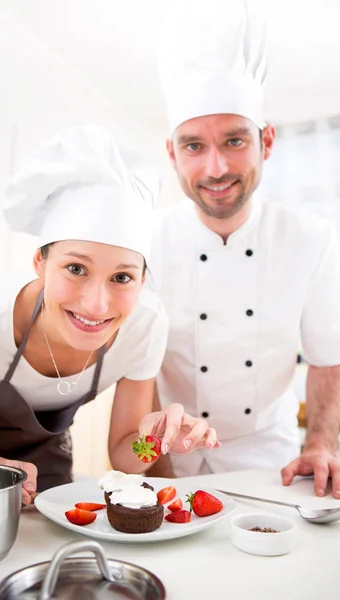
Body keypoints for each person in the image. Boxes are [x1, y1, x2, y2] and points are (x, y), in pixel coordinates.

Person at [0, 125, 220, 505]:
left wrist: (153, 442)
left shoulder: (145, 325)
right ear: (40, 261)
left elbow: (123, 454)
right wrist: (1, 468)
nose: (96, 305)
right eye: (76, 269)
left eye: (122, 277)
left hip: (52, 473)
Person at [147, 0, 340, 497]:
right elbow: (136, 370)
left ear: (267, 142)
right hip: (165, 458)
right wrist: (152, 468)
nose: (215, 168)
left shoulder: (312, 239)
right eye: (193, 146)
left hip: (269, 460)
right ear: (172, 153)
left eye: (234, 141)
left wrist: (321, 444)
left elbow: (327, 359)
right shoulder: (142, 243)